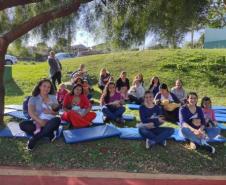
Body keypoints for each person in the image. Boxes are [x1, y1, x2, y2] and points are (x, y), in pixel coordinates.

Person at [19, 79, 61, 150]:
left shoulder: (52, 97)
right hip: (37, 122)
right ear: (39, 87)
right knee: (22, 124)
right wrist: (40, 121)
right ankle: (48, 133)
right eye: (44, 86)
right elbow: (31, 112)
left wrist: (50, 111)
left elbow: (57, 112)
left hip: (50, 121)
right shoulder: (33, 98)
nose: (47, 88)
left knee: (57, 119)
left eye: (49, 87)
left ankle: (35, 138)